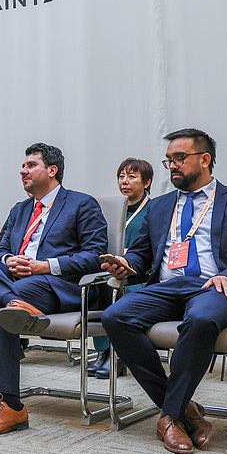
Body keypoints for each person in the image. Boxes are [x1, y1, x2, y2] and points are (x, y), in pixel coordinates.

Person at [101, 129, 227, 454]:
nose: (172, 165)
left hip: (215, 286)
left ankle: (169, 417)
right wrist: (126, 264)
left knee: (200, 319)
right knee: (115, 316)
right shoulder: (159, 206)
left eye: (180, 158)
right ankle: (186, 410)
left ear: (205, 159)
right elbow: (142, 255)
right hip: (167, 288)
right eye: (169, 160)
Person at [0, 143, 108, 435]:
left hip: (58, 285)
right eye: (23, 165)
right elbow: (0, 251)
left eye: (30, 165)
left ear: (52, 170)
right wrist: (8, 260)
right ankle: (14, 301)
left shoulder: (81, 204)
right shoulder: (20, 210)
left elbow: (95, 255)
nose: (22, 171)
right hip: (18, 282)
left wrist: (45, 266)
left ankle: (11, 405)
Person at [88, 158, 154, 379]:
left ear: (147, 182)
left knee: (115, 291)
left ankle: (118, 354)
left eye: (132, 177)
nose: (124, 181)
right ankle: (103, 352)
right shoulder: (110, 211)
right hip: (112, 272)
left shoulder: (153, 210)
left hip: (140, 276)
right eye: (121, 177)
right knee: (98, 290)